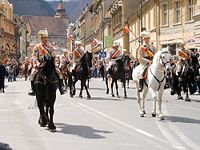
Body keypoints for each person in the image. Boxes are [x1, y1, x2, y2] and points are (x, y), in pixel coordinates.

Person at [28, 29, 65, 95]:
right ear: (41, 39)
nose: (46, 39)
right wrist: (37, 64)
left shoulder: (50, 47)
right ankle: (32, 89)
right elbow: (34, 57)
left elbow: (54, 56)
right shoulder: (37, 47)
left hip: (50, 63)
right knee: (32, 73)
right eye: (44, 38)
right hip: (40, 63)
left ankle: (61, 87)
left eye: (46, 38)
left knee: (58, 72)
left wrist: (55, 63)